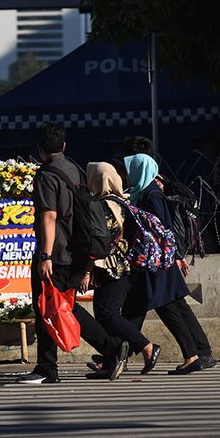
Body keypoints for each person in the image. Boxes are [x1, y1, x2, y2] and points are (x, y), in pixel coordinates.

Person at [16, 123, 129, 384]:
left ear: (39, 149)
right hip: (75, 250)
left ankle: (49, 368)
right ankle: (110, 347)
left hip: (55, 252)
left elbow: (49, 216)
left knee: (47, 306)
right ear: (64, 146)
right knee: (60, 305)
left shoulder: (46, 175)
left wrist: (44, 256)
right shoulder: (74, 169)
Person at [123, 153, 216, 374]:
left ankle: (193, 355)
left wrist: (172, 256)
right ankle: (115, 355)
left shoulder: (151, 195)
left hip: (156, 263)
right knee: (134, 310)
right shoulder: (143, 193)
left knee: (169, 309)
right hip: (153, 262)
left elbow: (162, 229)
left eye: (131, 170)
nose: (127, 176)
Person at [80, 162, 161, 377]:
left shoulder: (103, 206)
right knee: (104, 312)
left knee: (107, 313)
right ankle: (111, 361)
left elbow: (98, 243)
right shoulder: (122, 201)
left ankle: (146, 347)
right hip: (126, 267)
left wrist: (87, 272)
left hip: (113, 268)